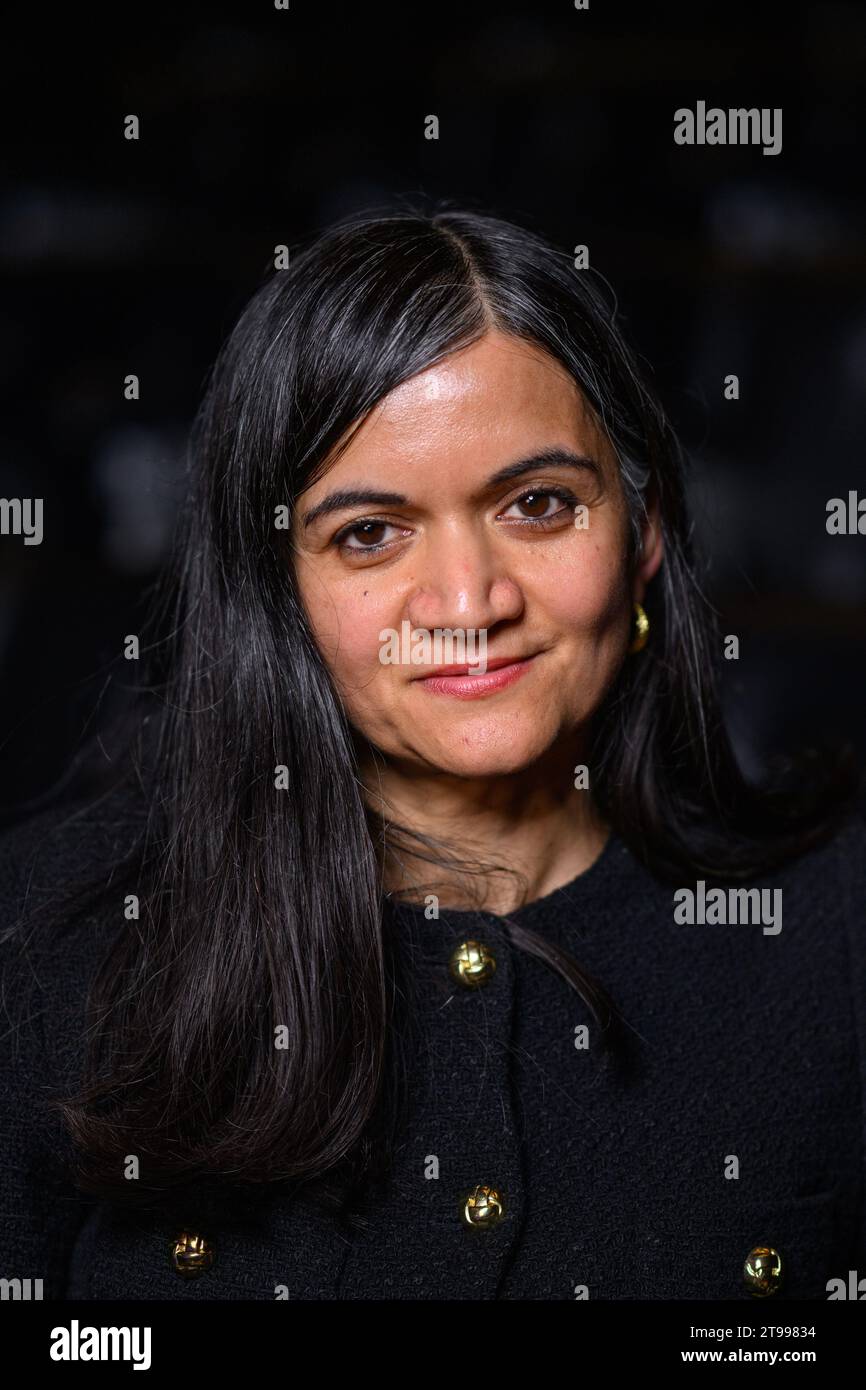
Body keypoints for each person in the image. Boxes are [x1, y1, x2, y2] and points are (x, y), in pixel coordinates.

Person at [1, 205, 863, 1301]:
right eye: (369, 532)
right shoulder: (45, 945)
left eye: (539, 504)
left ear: (641, 535)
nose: (468, 602)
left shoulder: (832, 934)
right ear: (276, 588)